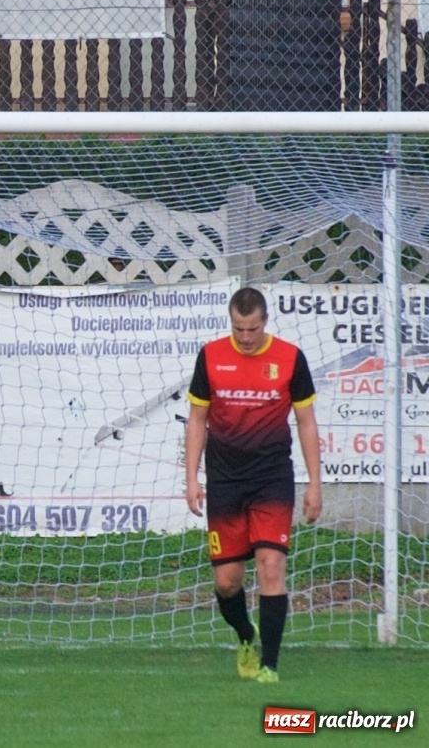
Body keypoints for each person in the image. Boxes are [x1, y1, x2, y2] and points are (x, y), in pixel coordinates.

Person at [183, 286, 322, 685]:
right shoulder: (210, 356)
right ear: (231, 322)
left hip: (271, 478)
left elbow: (306, 421)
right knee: (227, 582)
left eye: (253, 329)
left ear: (265, 322)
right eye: (239, 329)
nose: (246, 337)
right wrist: (191, 478)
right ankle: (246, 635)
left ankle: (270, 666)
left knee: (271, 566)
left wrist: (315, 483)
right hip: (225, 481)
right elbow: (197, 420)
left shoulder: (290, 358)